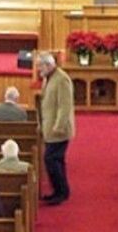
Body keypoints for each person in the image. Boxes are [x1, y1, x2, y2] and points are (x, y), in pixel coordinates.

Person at [37, 52, 75, 206]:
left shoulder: (62, 79)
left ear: (49, 65)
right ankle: (62, 191)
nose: (38, 69)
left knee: (50, 159)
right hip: (50, 127)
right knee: (57, 160)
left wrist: (58, 127)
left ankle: (60, 192)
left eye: (40, 66)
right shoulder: (48, 78)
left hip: (58, 130)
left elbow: (64, 106)